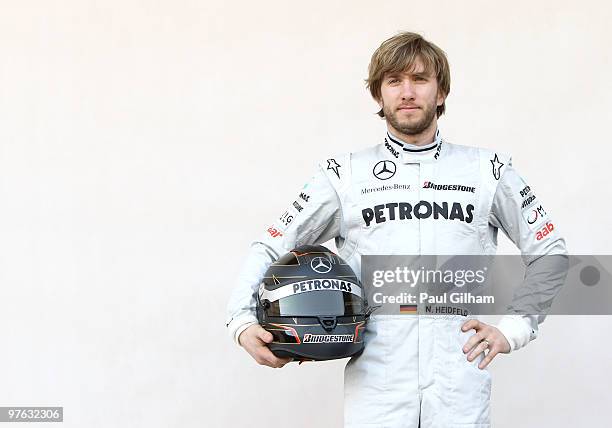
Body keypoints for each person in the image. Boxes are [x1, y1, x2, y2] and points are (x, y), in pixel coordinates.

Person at [226, 32, 568, 427]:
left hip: (459, 387)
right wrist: (241, 321)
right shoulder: (343, 176)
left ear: (441, 92)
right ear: (379, 95)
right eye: (394, 81)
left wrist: (515, 328)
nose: (407, 92)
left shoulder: (489, 171)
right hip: (378, 388)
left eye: (420, 79)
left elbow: (551, 253)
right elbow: (270, 247)